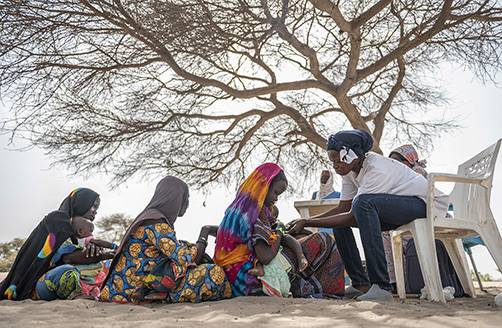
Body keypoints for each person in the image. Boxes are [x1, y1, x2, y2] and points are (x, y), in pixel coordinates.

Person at [287, 130, 449, 301]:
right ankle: (360, 284)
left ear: (351, 156)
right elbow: (343, 208)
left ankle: (382, 286)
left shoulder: (377, 168)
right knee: (342, 220)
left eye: (337, 160)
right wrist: (306, 221)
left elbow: (353, 214)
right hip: (397, 206)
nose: (334, 166)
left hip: (424, 204)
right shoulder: (349, 171)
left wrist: (306, 222)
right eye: (332, 161)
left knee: (363, 203)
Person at [214, 163, 345, 298]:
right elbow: (265, 257)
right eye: (275, 193)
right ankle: (319, 290)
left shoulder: (237, 208)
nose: (276, 199)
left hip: (231, 279)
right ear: (264, 187)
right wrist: (280, 231)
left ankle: (304, 286)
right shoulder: (256, 211)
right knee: (323, 240)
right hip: (248, 280)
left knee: (302, 237)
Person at [99, 176, 232, 303]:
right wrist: (205, 232)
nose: (188, 204)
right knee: (214, 272)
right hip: (132, 292)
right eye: (186, 198)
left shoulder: (151, 219)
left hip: (122, 289)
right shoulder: (156, 224)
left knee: (191, 250)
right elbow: (187, 259)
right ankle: (157, 297)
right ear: (175, 198)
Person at [0, 188, 108, 300]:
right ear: (82, 202)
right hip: (40, 283)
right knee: (66, 272)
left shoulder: (83, 232)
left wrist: (93, 248)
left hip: (74, 281)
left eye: (97, 208)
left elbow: (88, 258)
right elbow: (68, 257)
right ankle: (76, 296)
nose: (96, 211)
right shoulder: (58, 219)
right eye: (94, 206)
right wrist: (105, 255)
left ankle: (84, 293)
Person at [248, 205, 308, 287]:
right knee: (255, 255)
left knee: (287, 238)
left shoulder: (276, 225)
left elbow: (283, 233)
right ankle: (259, 268)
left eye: (275, 216)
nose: (273, 217)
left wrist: (279, 229)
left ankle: (301, 257)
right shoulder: (260, 224)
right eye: (271, 214)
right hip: (264, 247)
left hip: (277, 240)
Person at [71, 215, 117, 298]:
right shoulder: (85, 240)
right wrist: (114, 246)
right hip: (87, 271)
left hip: (79, 271)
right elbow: (99, 242)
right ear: (80, 231)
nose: (92, 234)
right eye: (91, 231)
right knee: (100, 277)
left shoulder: (72, 242)